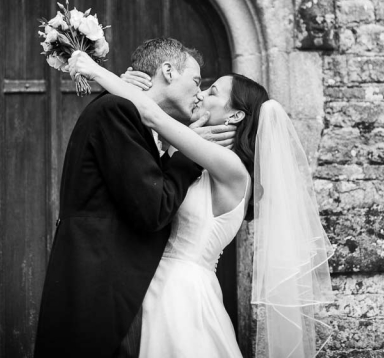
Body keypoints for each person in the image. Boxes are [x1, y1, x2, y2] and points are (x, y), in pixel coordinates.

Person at [68, 51, 335, 358]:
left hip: (180, 294)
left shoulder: (230, 167)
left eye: (212, 92)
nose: (200, 94)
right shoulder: (205, 162)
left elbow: (152, 116)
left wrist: (98, 73)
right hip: (154, 286)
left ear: (235, 116)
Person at [34, 38, 234, 358]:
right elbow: (153, 210)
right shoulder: (118, 110)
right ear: (168, 71)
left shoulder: (125, 112)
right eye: (196, 81)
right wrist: (188, 153)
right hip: (100, 288)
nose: (199, 93)